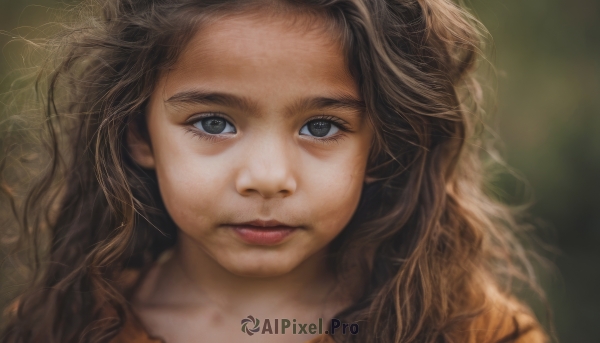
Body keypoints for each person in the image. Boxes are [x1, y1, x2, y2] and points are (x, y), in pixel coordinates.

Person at [0, 0, 549, 342]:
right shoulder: (62, 325)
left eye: (320, 127)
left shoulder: (465, 327)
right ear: (138, 134)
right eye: (213, 122)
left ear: (381, 147)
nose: (266, 177)